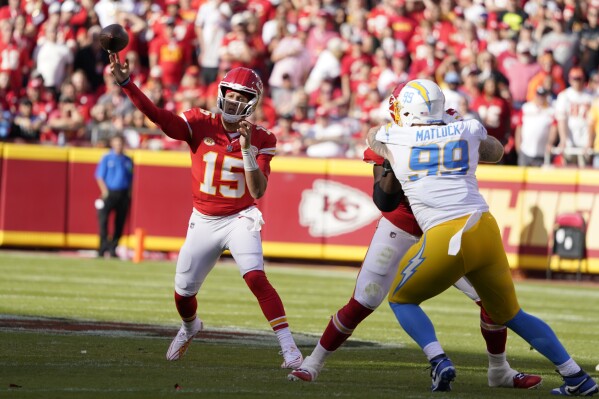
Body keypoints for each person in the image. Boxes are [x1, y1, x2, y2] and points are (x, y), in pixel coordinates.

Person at [288, 85, 542, 390]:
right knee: (366, 298)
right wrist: (395, 161)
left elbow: (494, 151)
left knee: (490, 299)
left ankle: (499, 369)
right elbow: (385, 201)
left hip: (446, 226)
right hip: (402, 226)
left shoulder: (450, 125)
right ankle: (313, 362)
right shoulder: (391, 136)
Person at [366, 79, 598, 395]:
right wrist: (447, 124)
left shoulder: (392, 137)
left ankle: (438, 359)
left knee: (401, 299)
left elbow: (373, 137)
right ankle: (576, 376)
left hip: (447, 233)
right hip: (484, 227)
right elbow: (495, 151)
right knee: (511, 314)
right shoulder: (467, 128)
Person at [107, 54, 303, 368]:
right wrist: (127, 84)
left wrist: (248, 149)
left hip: (240, 217)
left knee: (255, 277)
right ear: (221, 93)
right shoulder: (200, 122)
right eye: (231, 94)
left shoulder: (263, 138)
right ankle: (190, 327)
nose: (233, 101)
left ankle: (289, 347)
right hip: (204, 219)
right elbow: (159, 117)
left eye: (241, 97)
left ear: (251, 103)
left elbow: (258, 191)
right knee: (183, 293)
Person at [94, 134, 133, 258]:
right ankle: (102, 247)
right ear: (112, 144)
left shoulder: (128, 160)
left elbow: (131, 178)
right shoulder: (106, 158)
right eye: (116, 143)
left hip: (123, 194)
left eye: (120, 143)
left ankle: (113, 248)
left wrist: (129, 193)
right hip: (109, 193)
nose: (118, 146)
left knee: (120, 223)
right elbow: (99, 176)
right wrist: (104, 191)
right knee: (103, 220)